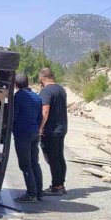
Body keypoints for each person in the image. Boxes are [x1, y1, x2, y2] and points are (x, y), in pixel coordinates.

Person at [12, 73, 44, 202]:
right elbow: (39, 117)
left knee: (25, 165)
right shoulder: (36, 97)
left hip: (22, 134)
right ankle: (39, 192)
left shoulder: (18, 97)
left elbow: (14, 116)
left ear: (16, 85)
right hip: (34, 132)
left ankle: (31, 194)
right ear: (28, 82)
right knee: (34, 162)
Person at [38, 67, 67, 195]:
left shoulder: (46, 91)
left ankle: (57, 186)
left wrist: (40, 127)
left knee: (52, 158)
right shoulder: (61, 89)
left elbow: (45, 110)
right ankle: (60, 184)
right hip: (61, 128)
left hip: (51, 130)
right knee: (59, 157)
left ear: (42, 78)